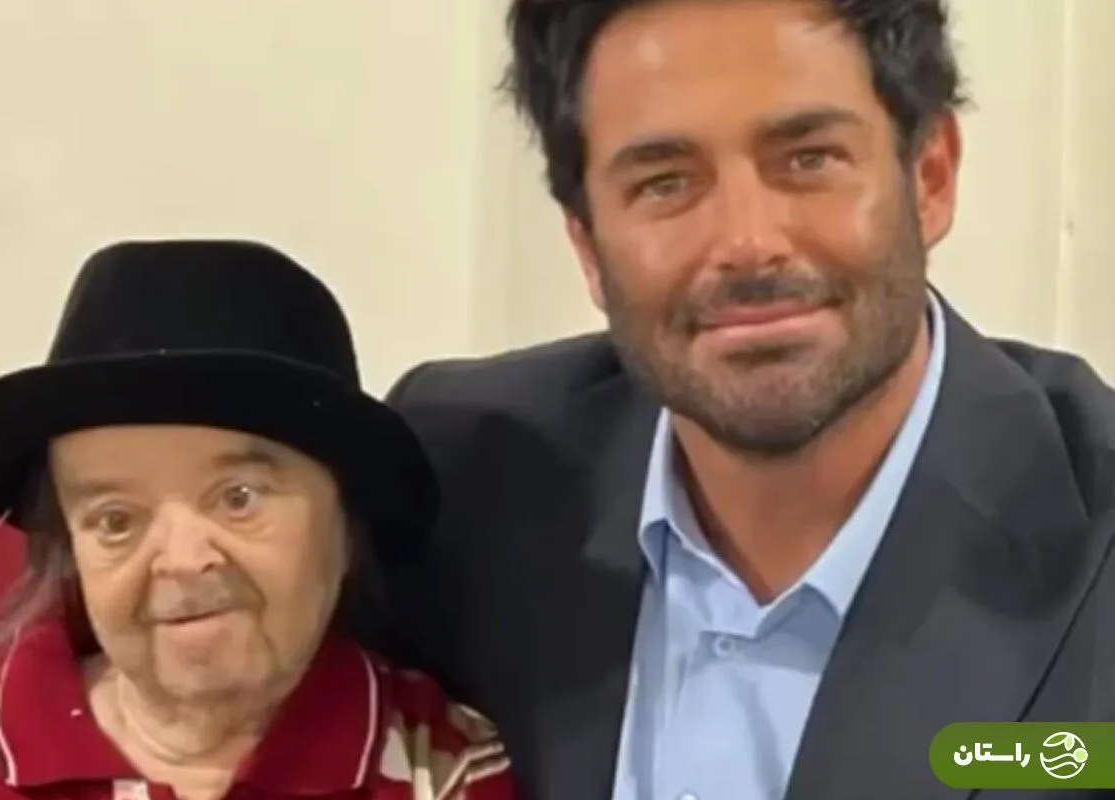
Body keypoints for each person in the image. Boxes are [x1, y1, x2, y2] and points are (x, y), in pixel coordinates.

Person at [358, 1, 1115, 799]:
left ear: (930, 177)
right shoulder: (456, 483)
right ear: (586, 243)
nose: (747, 243)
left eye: (809, 159)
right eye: (665, 183)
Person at [0, 241, 514, 800]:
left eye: (238, 497)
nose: (182, 561)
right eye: (116, 519)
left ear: (348, 520)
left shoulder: (440, 767)